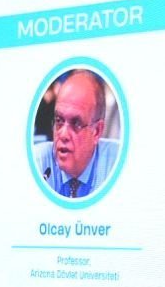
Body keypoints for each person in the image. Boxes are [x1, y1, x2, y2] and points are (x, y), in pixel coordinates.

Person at [34, 69, 120, 199]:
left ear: (97, 131)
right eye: (59, 120)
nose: (63, 134)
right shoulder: (38, 164)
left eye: (76, 123)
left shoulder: (118, 165)